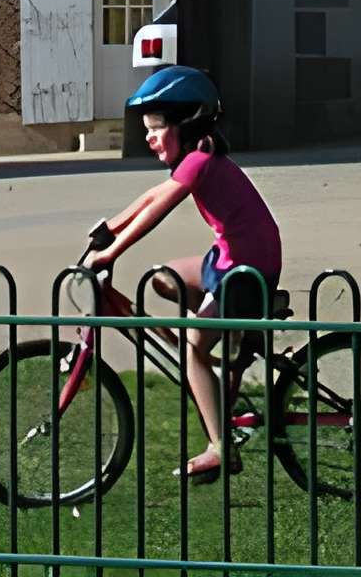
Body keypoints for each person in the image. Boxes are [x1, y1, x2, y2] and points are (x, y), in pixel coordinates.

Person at [83, 63, 283, 480]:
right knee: (163, 278)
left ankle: (220, 448)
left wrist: (113, 253)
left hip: (245, 270)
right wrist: (112, 226)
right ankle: (228, 342)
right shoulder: (196, 158)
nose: (149, 137)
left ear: (187, 122)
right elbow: (152, 194)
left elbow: (159, 208)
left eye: (156, 127)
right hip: (228, 260)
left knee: (192, 346)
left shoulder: (200, 159)